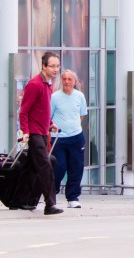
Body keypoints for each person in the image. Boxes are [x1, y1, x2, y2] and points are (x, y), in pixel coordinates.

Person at [16, 51, 62, 215]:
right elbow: (24, 111)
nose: (56, 69)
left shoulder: (48, 85)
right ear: (43, 66)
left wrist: (50, 123)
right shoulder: (35, 84)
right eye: (52, 66)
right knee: (46, 165)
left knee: (30, 168)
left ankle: (20, 200)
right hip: (34, 133)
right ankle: (50, 204)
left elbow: (42, 110)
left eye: (57, 66)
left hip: (42, 132)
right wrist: (25, 132)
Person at [50, 69, 87, 209]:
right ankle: (52, 194)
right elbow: (50, 116)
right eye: (64, 79)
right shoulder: (55, 97)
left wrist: (73, 126)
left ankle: (73, 197)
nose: (66, 82)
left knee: (76, 167)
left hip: (76, 137)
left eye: (69, 79)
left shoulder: (80, 96)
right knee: (59, 167)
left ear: (74, 82)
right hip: (58, 138)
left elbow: (82, 115)